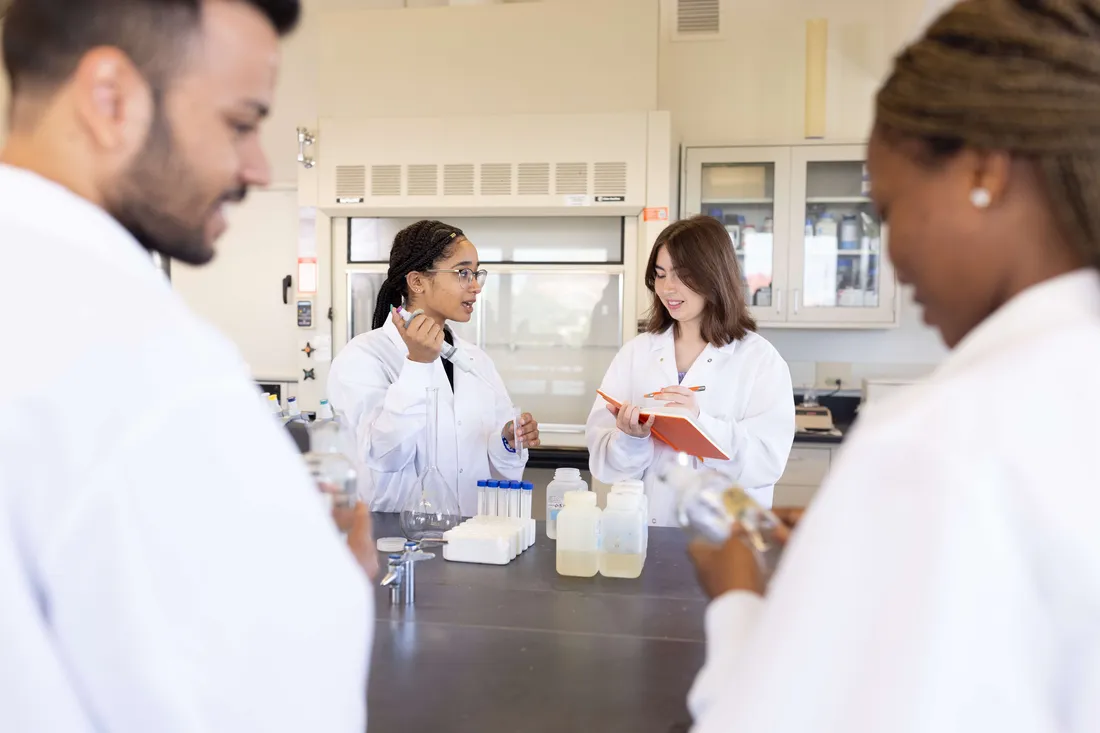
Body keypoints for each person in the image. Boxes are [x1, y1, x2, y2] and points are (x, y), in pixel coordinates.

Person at [687, 0, 1100, 730]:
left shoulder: (940, 432)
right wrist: (873, 539)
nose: (892, 252)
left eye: (887, 209)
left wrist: (737, 595)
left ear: (983, 170)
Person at [0, 1, 373, 730]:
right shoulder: (139, 358)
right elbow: (268, 703)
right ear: (109, 101)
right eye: (240, 122)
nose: (258, 167)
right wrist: (327, 593)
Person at [586, 215, 795, 526]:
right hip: (646, 534)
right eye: (660, 275)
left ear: (714, 276)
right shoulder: (637, 353)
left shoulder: (760, 360)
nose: (668, 287)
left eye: (682, 275)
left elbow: (767, 461)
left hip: (725, 540)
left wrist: (700, 424)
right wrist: (632, 439)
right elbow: (604, 464)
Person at [327, 219, 540, 514]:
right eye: (463, 273)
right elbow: (383, 455)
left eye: (477, 273)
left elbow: (491, 465)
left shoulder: (476, 360)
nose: (475, 286)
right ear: (417, 281)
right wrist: (418, 364)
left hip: (472, 532)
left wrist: (506, 441)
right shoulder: (363, 357)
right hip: (399, 538)